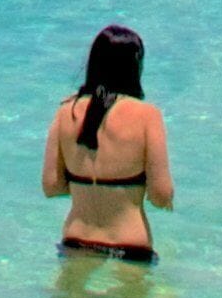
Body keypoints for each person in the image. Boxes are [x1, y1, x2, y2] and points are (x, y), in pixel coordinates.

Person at [45, 24, 173, 265]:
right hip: (130, 246)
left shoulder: (65, 113)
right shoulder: (148, 116)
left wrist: (90, 188)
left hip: (76, 242)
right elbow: (160, 194)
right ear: (135, 66)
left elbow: (52, 186)